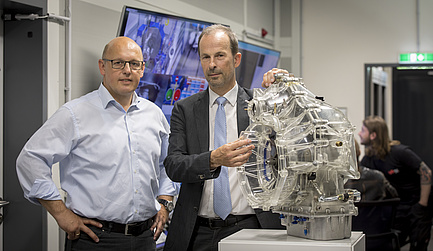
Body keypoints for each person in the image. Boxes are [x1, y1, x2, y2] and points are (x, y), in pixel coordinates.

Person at [16, 36, 176, 251]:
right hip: (96, 240)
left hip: (145, 239)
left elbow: (167, 163)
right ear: (103, 66)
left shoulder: (153, 114)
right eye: (118, 63)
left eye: (134, 64)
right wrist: (61, 213)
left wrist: (164, 202)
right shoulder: (75, 114)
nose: (127, 70)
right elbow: (30, 159)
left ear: (142, 68)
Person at [163, 24, 288, 251]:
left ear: (236, 59)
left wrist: (283, 91)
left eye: (220, 55)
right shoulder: (185, 109)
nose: (212, 64)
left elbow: (293, 144)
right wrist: (213, 159)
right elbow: (173, 166)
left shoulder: (259, 105)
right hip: (197, 231)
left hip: (251, 228)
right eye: (206, 57)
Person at [359, 115, 433, 251]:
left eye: (363, 130)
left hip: (417, 206)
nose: (359, 133)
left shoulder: (400, 152)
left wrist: (422, 205)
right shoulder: (368, 159)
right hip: (398, 209)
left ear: (373, 135)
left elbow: (426, 172)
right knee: (393, 244)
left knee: (418, 245)